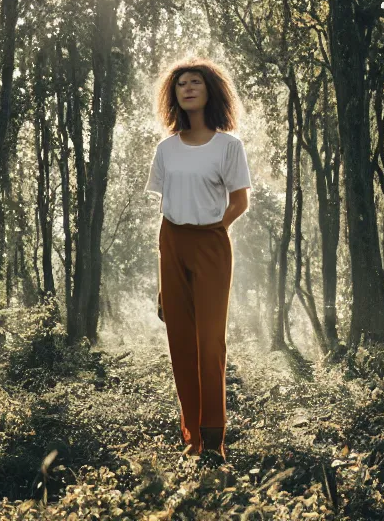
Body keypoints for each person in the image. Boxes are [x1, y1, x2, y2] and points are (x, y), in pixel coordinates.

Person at [144, 56, 251, 465]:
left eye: (196, 83)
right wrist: (162, 279)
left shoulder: (228, 145)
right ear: (173, 96)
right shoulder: (166, 149)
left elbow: (240, 201)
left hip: (211, 242)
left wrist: (214, 228)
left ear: (210, 92)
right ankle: (191, 436)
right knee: (181, 344)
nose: (187, 88)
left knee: (210, 345)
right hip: (171, 241)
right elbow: (167, 208)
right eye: (181, 84)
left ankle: (213, 439)